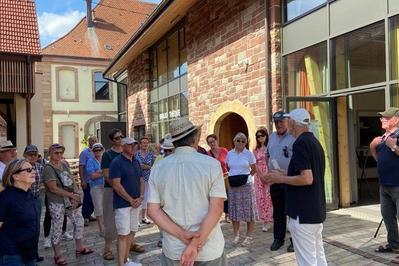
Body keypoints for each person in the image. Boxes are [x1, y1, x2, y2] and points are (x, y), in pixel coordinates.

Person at [148, 118, 227, 265]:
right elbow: (216, 209)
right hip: (209, 248)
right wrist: (195, 243)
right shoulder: (212, 165)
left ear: (174, 142)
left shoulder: (158, 168)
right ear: (195, 138)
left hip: (174, 248)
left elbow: (152, 211)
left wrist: (184, 236)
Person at [264, 108, 327, 266]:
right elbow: (308, 172)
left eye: (288, 121)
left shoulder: (300, 143)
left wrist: (281, 178)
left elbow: (307, 178)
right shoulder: (314, 142)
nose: (287, 124)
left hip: (302, 213)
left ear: (293, 123)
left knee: (307, 261)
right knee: (319, 258)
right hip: (315, 212)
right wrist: (285, 172)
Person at [42, 143, 93, 265]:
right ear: (50, 153)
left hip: (70, 199)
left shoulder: (64, 164)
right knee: (58, 227)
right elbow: (53, 188)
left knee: (79, 222)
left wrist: (75, 194)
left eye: (61, 152)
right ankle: (57, 255)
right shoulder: (48, 168)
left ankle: (79, 247)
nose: (59, 155)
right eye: (56, 153)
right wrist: (71, 196)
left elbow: (71, 179)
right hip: (57, 202)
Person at [109, 137, 144, 266]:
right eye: (130, 145)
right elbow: (116, 185)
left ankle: (126, 260)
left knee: (132, 231)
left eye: (134, 145)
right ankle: (121, 264)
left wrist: (140, 197)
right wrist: (130, 200)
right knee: (123, 234)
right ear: (123, 146)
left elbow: (141, 180)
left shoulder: (136, 161)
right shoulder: (116, 162)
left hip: (136, 203)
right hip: (123, 205)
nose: (133, 147)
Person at [0, 159, 40, 266]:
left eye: (32, 169)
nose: (33, 171)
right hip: (11, 255)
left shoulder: (30, 195)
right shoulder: (5, 198)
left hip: (30, 252)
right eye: (28, 170)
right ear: (15, 176)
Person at [370, 107, 399, 253]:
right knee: (387, 216)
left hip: (398, 184)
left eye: (386, 118)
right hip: (384, 184)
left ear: (396, 120)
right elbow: (378, 157)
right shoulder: (382, 138)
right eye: (382, 118)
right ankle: (394, 245)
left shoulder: (397, 136)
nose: (382, 120)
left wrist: (393, 146)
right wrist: (372, 146)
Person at [267, 111, 295, 252]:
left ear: (287, 122)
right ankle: (278, 238)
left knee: (292, 212)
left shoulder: (293, 137)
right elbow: (268, 155)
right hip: (275, 181)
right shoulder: (271, 137)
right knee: (278, 212)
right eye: (276, 122)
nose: (278, 124)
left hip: (290, 180)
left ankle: (294, 240)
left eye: (281, 122)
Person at [226, 132, 258, 246]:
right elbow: (227, 167)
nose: (240, 142)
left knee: (249, 211)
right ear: (234, 141)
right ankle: (236, 235)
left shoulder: (249, 154)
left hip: (246, 185)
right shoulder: (229, 154)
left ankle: (249, 236)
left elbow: (254, 169)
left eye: (243, 141)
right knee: (234, 211)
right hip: (233, 185)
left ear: (246, 142)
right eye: (238, 140)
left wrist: (246, 177)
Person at [152, 136, 175, 248]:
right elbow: (154, 176)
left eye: (170, 150)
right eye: (166, 150)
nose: (167, 152)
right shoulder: (159, 159)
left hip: (175, 194)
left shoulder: (178, 160)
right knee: (163, 217)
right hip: (163, 193)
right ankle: (163, 237)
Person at [23, 145, 44, 262]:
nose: (32, 156)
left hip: (36, 199)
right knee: (26, 226)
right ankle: (26, 253)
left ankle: (34, 253)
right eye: (30, 154)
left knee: (36, 226)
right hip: (24, 200)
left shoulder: (40, 167)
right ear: (25, 155)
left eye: (35, 154)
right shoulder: (20, 167)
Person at [206, 134, 230, 223]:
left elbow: (228, 163)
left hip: (225, 176)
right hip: (215, 178)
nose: (212, 143)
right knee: (217, 196)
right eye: (210, 142)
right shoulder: (207, 154)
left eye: (213, 141)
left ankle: (227, 214)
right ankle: (218, 214)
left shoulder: (224, 151)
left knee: (227, 195)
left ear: (217, 141)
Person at [253, 128, 273, 232]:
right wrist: (260, 175)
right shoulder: (255, 150)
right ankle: (265, 221)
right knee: (261, 198)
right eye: (258, 136)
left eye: (262, 135)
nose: (260, 138)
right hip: (259, 176)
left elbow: (272, 161)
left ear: (266, 136)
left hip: (269, 173)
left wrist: (269, 174)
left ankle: (272, 219)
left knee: (270, 198)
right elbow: (254, 164)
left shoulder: (270, 148)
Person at [135, 136, 155, 225]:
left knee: (146, 198)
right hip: (138, 179)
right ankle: (136, 219)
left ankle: (144, 217)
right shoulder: (136, 154)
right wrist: (147, 166)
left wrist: (146, 166)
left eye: (146, 143)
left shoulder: (151, 154)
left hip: (148, 179)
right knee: (138, 197)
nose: (145, 144)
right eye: (143, 142)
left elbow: (154, 165)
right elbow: (137, 165)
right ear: (140, 144)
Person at [86, 143, 105, 236]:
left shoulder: (105, 159)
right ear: (92, 151)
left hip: (106, 186)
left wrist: (98, 172)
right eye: (95, 150)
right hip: (96, 186)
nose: (97, 152)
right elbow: (92, 176)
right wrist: (103, 172)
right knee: (98, 208)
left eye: (99, 150)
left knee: (106, 207)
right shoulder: (90, 161)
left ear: (102, 150)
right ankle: (101, 229)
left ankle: (106, 227)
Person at [79, 135, 97, 226]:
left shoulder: (99, 151)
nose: (93, 142)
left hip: (97, 181)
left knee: (95, 199)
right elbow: (81, 167)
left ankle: (89, 214)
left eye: (95, 140)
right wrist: (82, 180)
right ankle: (85, 217)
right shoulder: (84, 153)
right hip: (88, 180)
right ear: (88, 142)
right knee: (87, 199)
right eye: (91, 140)